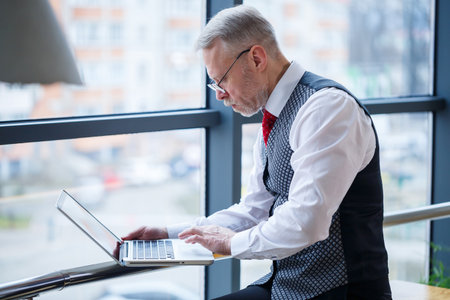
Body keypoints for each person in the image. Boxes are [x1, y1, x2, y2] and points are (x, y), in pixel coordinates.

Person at [123, 5, 392, 300]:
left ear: (256, 58)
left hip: (345, 290)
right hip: (287, 286)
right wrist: (169, 233)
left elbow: (306, 222)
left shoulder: (327, 109)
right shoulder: (273, 119)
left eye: (222, 80)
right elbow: (253, 211)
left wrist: (231, 243)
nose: (220, 94)